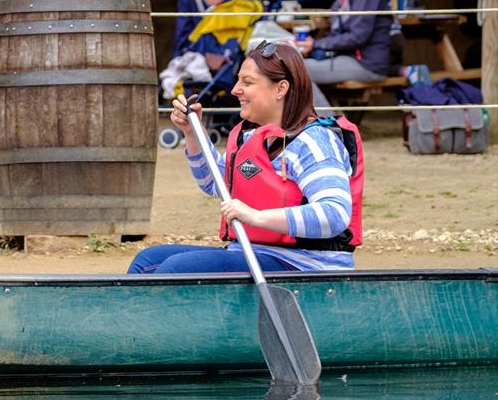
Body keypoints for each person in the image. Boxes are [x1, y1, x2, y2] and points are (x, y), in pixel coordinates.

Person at [129, 42, 363, 274]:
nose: (235, 89)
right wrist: (193, 133)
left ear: (280, 89)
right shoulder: (250, 136)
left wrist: (256, 217)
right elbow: (215, 183)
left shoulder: (314, 142)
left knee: (175, 270)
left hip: (304, 264)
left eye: (247, 82)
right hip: (251, 251)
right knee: (147, 261)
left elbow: (335, 213)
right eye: (238, 80)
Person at [296, 0, 393, 109]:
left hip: (366, 63)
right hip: (354, 59)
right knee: (293, 66)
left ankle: (329, 124)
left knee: (297, 70)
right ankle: (324, 121)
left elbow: (358, 36)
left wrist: (317, 44)